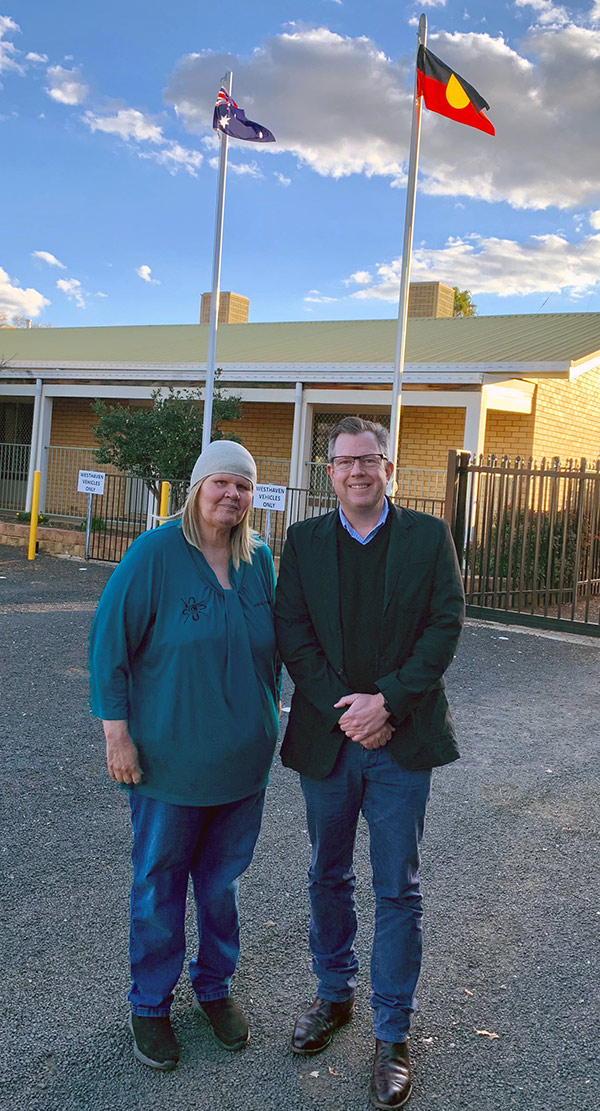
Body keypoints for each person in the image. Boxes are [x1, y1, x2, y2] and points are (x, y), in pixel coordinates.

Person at [275, 416, 465, 1109]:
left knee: (397, 886)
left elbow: (446, 622)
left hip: (402, 740)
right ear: (330, 473)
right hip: (330, 740)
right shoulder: (301, 542)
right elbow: (291, 631)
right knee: (327, 872)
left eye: (370, 460)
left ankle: (393, 1030)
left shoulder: (426, 537)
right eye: (346, 461)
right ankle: (334, 997)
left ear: (390, 469)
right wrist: (347, 710)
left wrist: (387, 702)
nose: (358, 471)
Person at [89, 441, 280, 1072]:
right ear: (197, 487)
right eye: (221, 482)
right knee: (158, 885)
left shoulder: (259, 562)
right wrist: (117, 734)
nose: (232, 494)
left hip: (241, 764)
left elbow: (278, 650)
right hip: (168, 764)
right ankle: (150, 1004)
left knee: (221, 887)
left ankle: (215, 989)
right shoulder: (155, 555)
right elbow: (108, 643)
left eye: (244, 486)